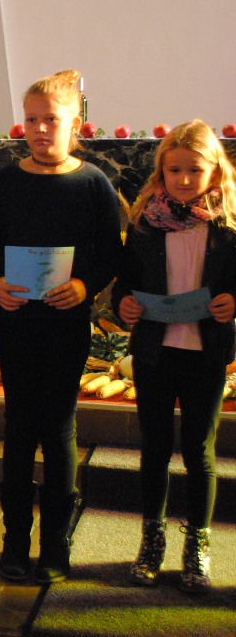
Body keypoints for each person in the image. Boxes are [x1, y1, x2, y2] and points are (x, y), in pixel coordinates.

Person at [0, 69, 122, 584]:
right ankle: (15, 541)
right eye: (32, 119)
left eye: (51, 120)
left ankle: (55, 544)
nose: (40, 129)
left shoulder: (92, 183)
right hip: (17, 323)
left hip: (65, 325)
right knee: (19, 428)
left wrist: (84, 285)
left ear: (74, 124)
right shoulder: (6, 181)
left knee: (59, 430)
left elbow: (111, 252)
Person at [112, 120, 236, 594]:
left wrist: (234, 302)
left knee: (200, 452)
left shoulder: (227, 226)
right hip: (155, 353)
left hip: (205, 353)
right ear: (161, 172)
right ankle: (152, 540)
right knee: (156, 448)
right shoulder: (146, 223)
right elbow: (125, 284)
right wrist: (124, 305)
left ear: (215, 171)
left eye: (195, 170)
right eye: (174, 170)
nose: (184, 180)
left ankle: (197, 545)